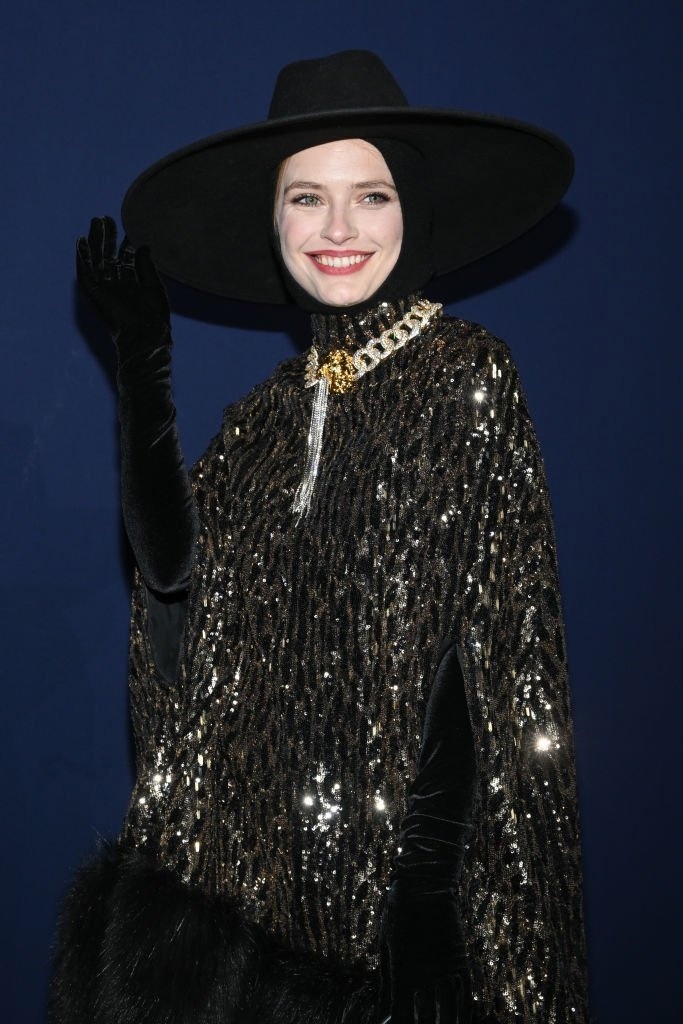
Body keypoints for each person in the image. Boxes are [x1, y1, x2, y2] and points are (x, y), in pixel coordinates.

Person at [51, 50, 589, 1024]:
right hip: (239, 910)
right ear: (273, 221)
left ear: (411, 209)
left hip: (380, 923)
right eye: (306, 198)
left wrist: (423, 888)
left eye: (369, 195)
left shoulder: (465, 377)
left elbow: (482, 648)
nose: (337, 229)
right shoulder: (260, 420)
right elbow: (173, 585)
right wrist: (143, 374)